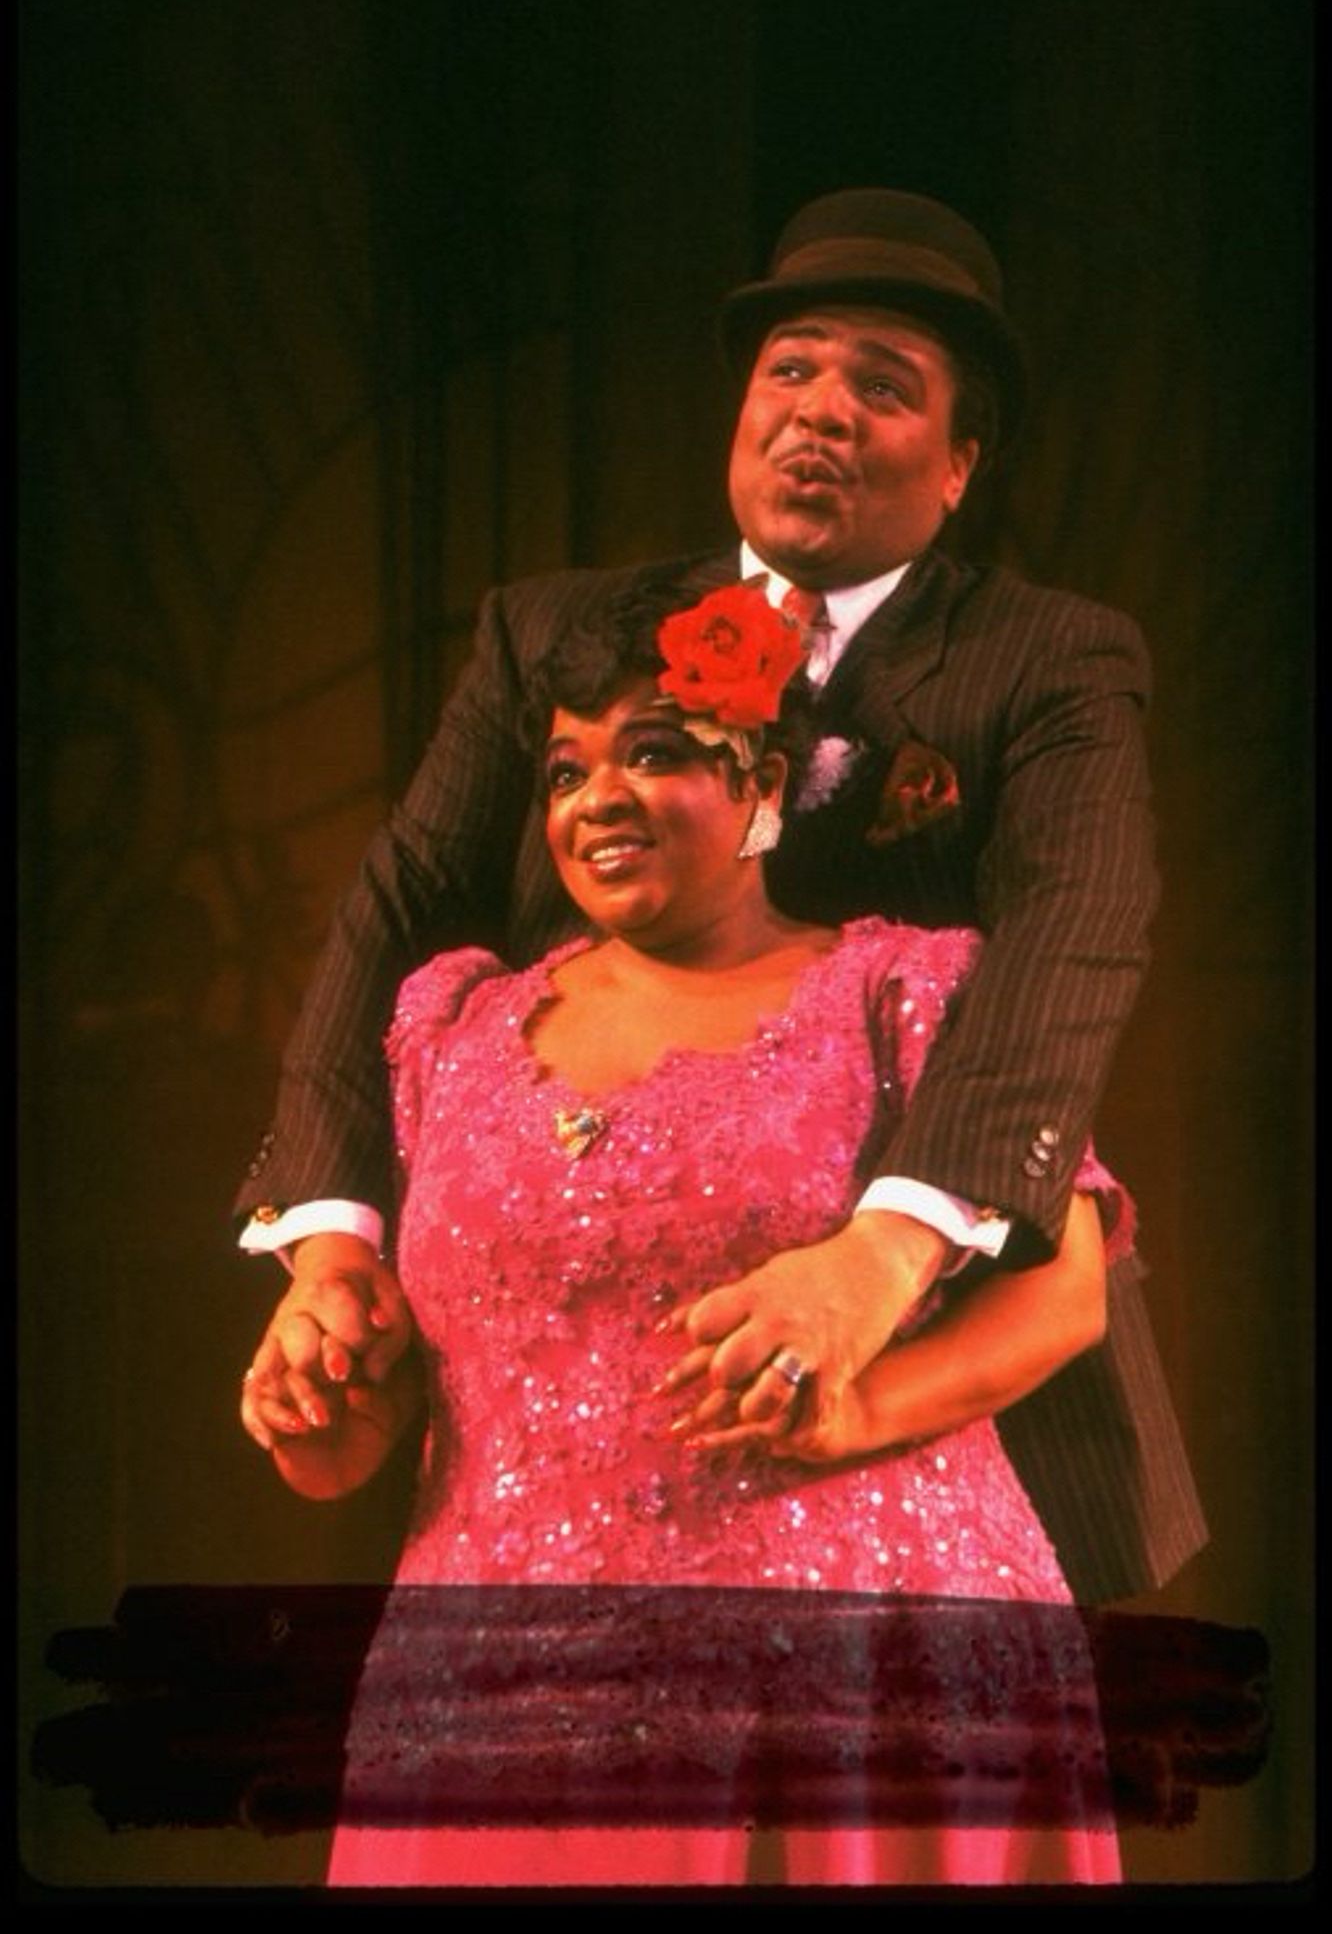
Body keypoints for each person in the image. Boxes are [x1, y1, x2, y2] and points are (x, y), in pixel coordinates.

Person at [237, 187, 1205, 1606]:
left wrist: (881, 1257)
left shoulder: (1046, 663)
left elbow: (1073, 942)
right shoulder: (555, 636)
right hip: (562, 1400)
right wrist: (331, 1252)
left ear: (958, 466)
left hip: (925, 1385)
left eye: (884, 387)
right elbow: (404, 910)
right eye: (792, 369)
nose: (821, 412)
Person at [243, 583, 1126, 1885]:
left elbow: (1068, 1298)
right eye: (564, 769)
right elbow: (420, 1385)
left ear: (764, 781)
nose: (596, 795)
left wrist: (857, 1414)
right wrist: (328, 1415)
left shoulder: (905, 991)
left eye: (651, 750)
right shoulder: (450, 1030)